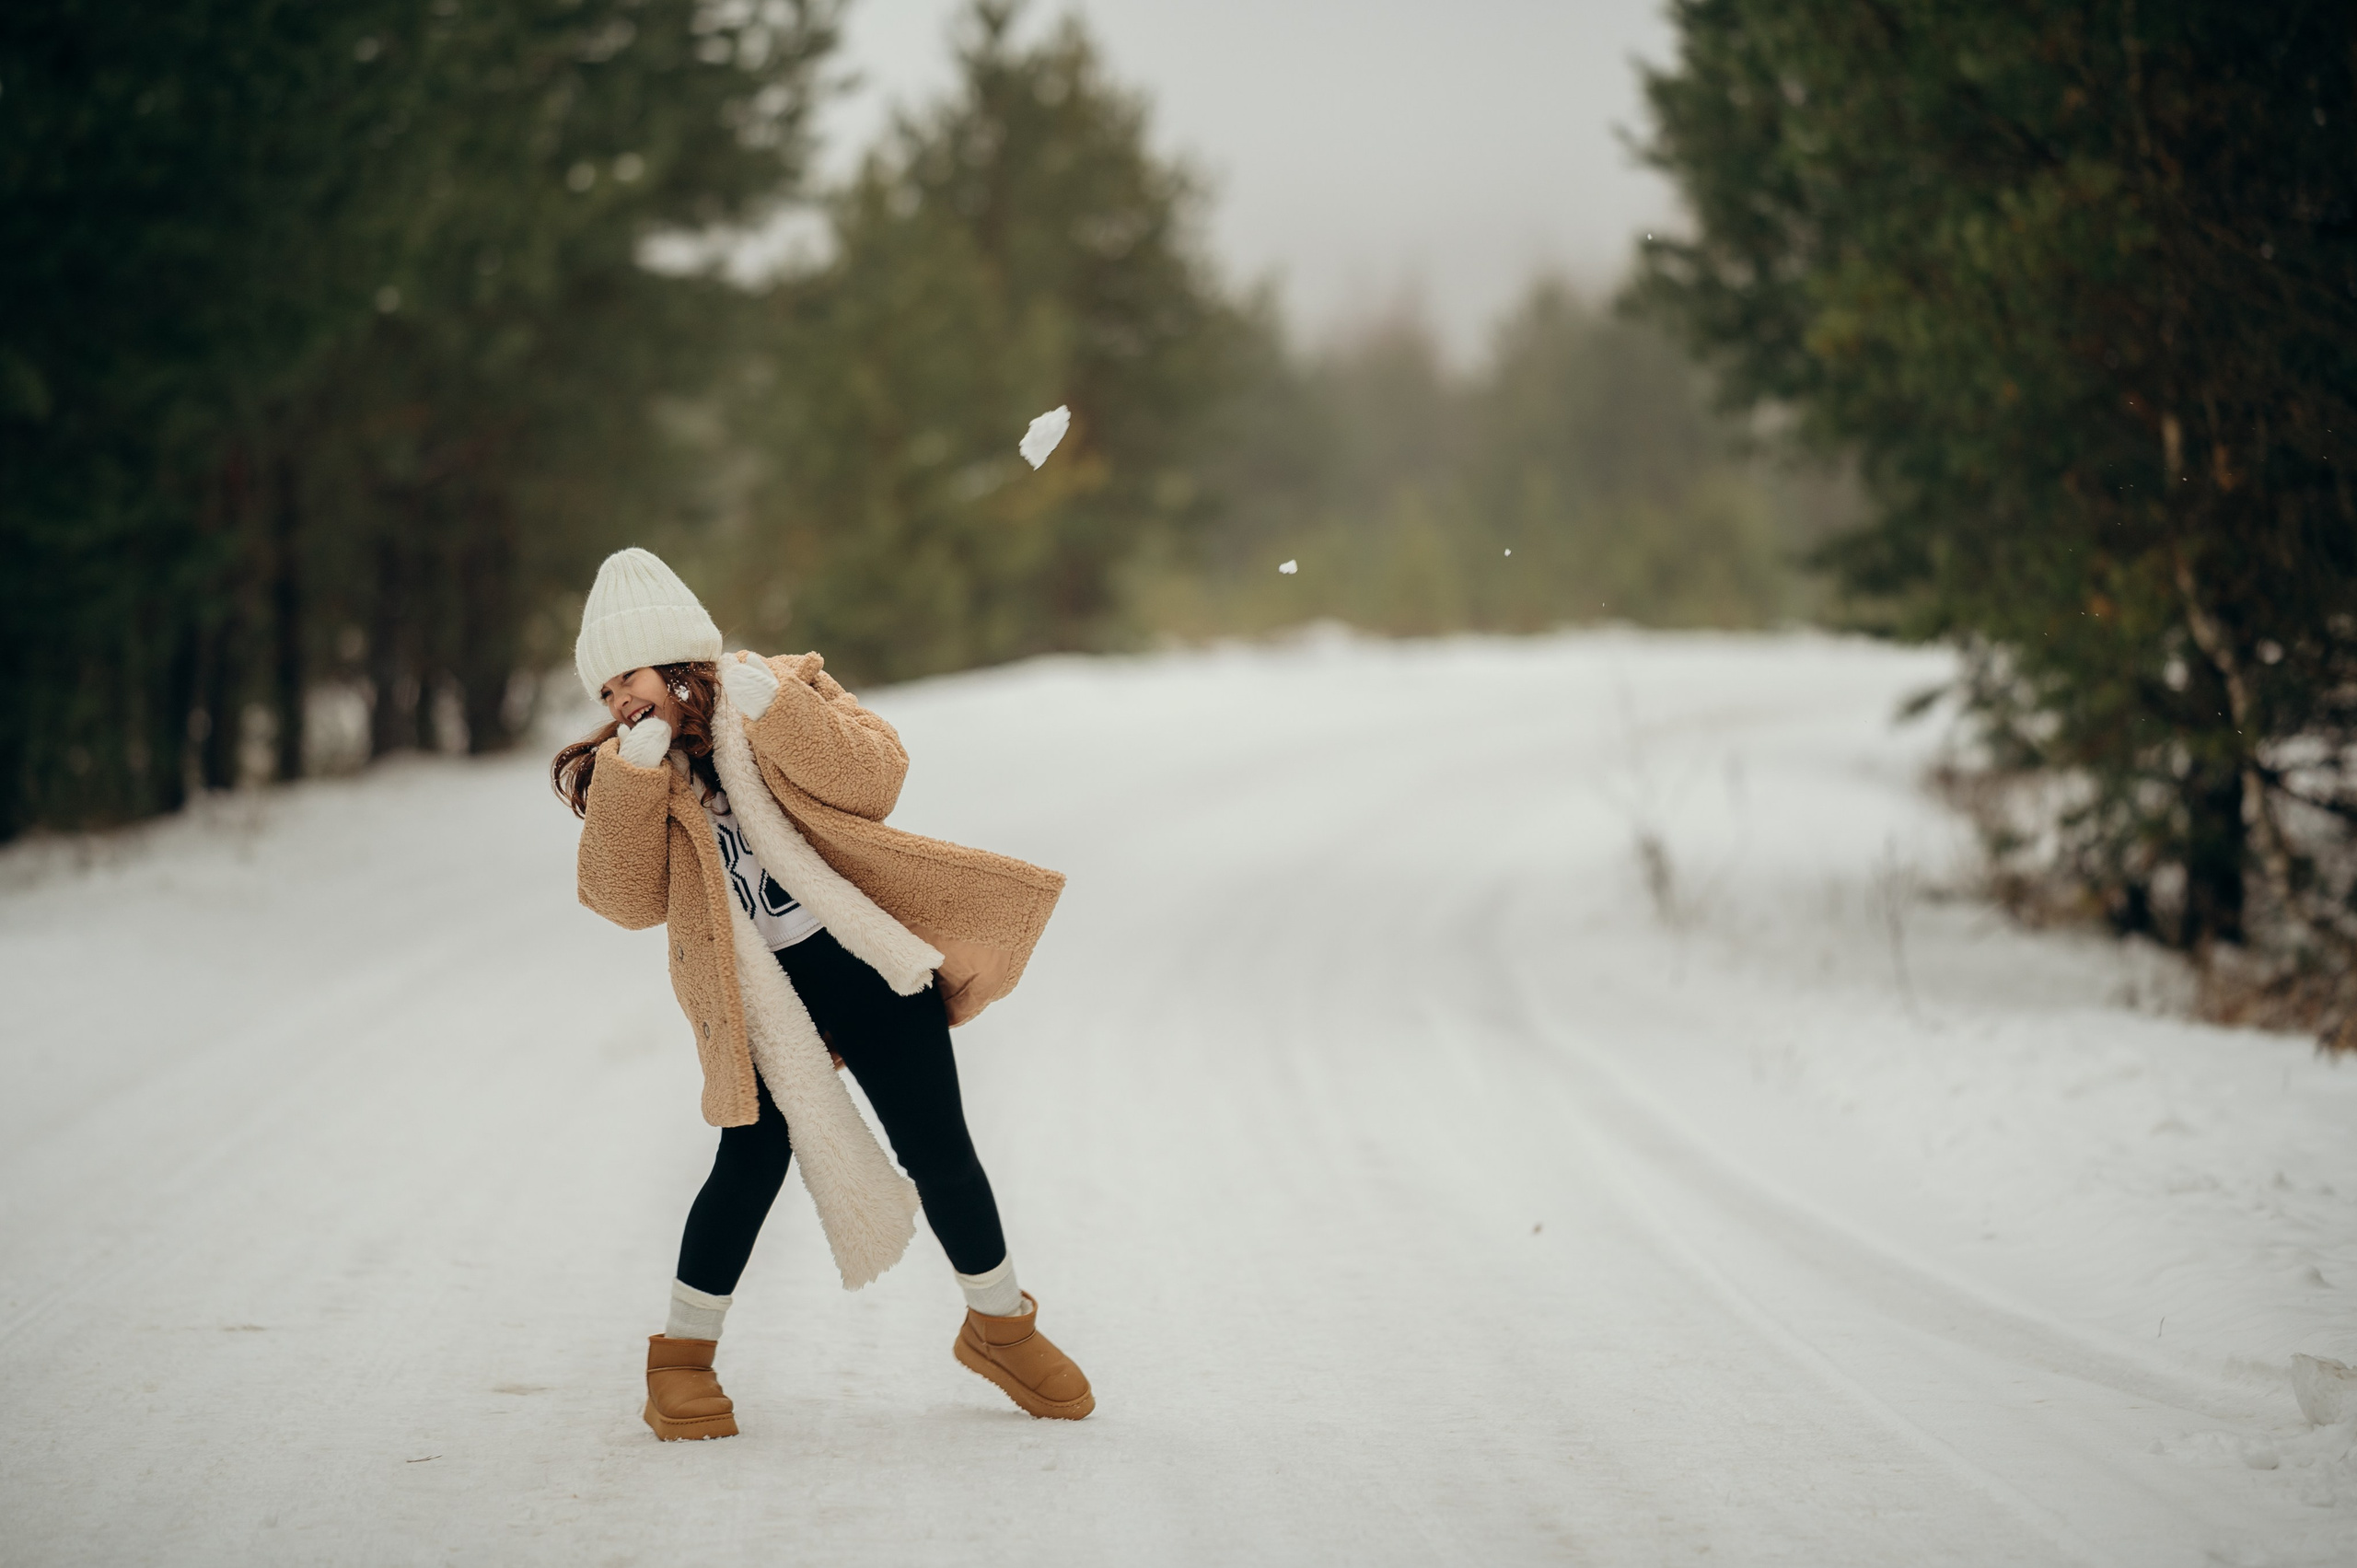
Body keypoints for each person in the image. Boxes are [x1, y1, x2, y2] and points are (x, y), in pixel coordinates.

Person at [551, 547, 1092, 1438]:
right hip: (754, 993)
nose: (616, 703)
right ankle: (680, 1362)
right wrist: (633, 780)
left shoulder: (783, 686)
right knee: (749, 1160)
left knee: (939, 1146)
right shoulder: (634, 767)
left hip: (859, 955)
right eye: (602, 692)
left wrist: (783, 715)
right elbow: (624, 900)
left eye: (628, 676)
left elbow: (876, 781)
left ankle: (999, 1325)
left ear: (679, 658)